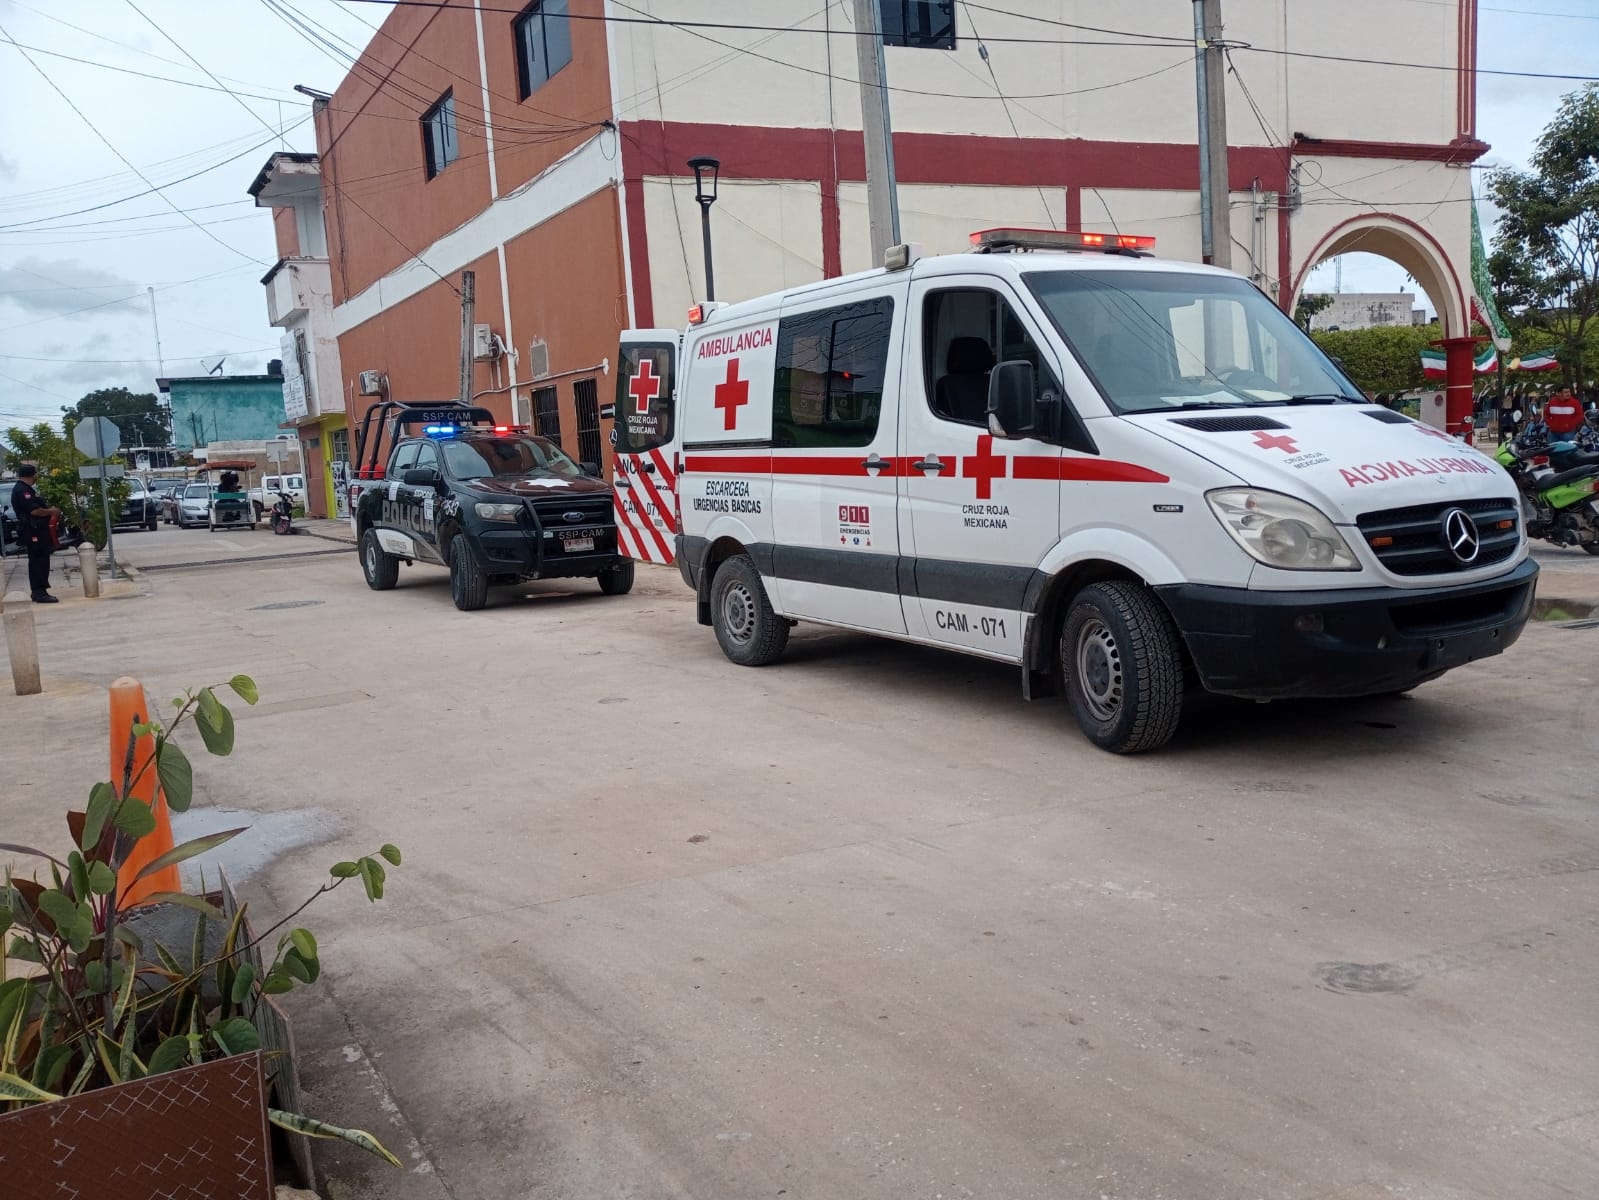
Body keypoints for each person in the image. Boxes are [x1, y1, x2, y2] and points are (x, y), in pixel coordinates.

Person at [9, 463, 60, 603]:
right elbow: (34, 511)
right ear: (32, 475)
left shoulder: (26, 489)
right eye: (36, 474)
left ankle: (40, 590)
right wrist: (52, 511)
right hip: (33, 531)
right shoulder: (22, 491)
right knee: (38, 561)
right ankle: (39, 592)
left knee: (41, 560)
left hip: (37, 530)